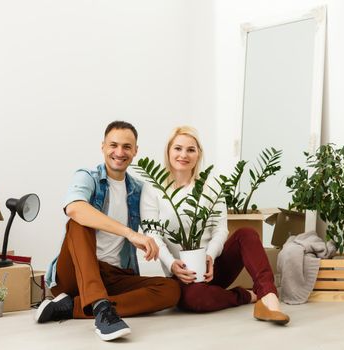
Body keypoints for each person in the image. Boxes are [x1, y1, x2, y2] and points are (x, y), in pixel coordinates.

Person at [36, 121, 181, 341]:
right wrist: (129, 233)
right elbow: (74, 208)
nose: (119, 152)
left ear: (135, 151)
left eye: (126, 147)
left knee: (171, 290)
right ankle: (102, 309)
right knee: (78, 222)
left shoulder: (138, 190)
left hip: (114, 276)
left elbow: (157, 229)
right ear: (103, 146)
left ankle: (72, 307)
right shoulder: (88, 176)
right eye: (113, 145)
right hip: (74, 274)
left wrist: (175, 262)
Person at [140, 126, 290, 325]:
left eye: (190, 150)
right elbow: (152, 233)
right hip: (181, 274)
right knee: (195, 300)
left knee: (246, 233)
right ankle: (246, 296)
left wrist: (210, 256)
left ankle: (268, 298)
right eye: (178, 148)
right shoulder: (153, 187)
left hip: (213, 267)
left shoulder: (211, 186)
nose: (183, 155)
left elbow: (220, 229)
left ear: (198, 154)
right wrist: (171, 264)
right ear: (168, 151)